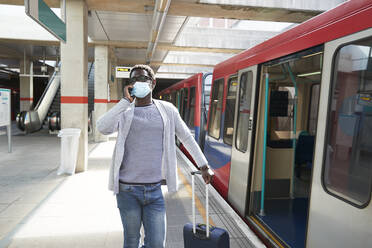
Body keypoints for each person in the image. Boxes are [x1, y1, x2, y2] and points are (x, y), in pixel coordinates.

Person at [96, 64, 214, 248]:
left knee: (157, 243)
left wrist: (203, 166)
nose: (138, 82)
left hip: (154, 190)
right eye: (134, 79)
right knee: (132, 240)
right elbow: (103, 127)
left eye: (143, 78)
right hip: (127, 190)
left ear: (153, 83)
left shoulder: (167, 110)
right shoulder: (125, 111)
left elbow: (186, 137)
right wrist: (124, 102)